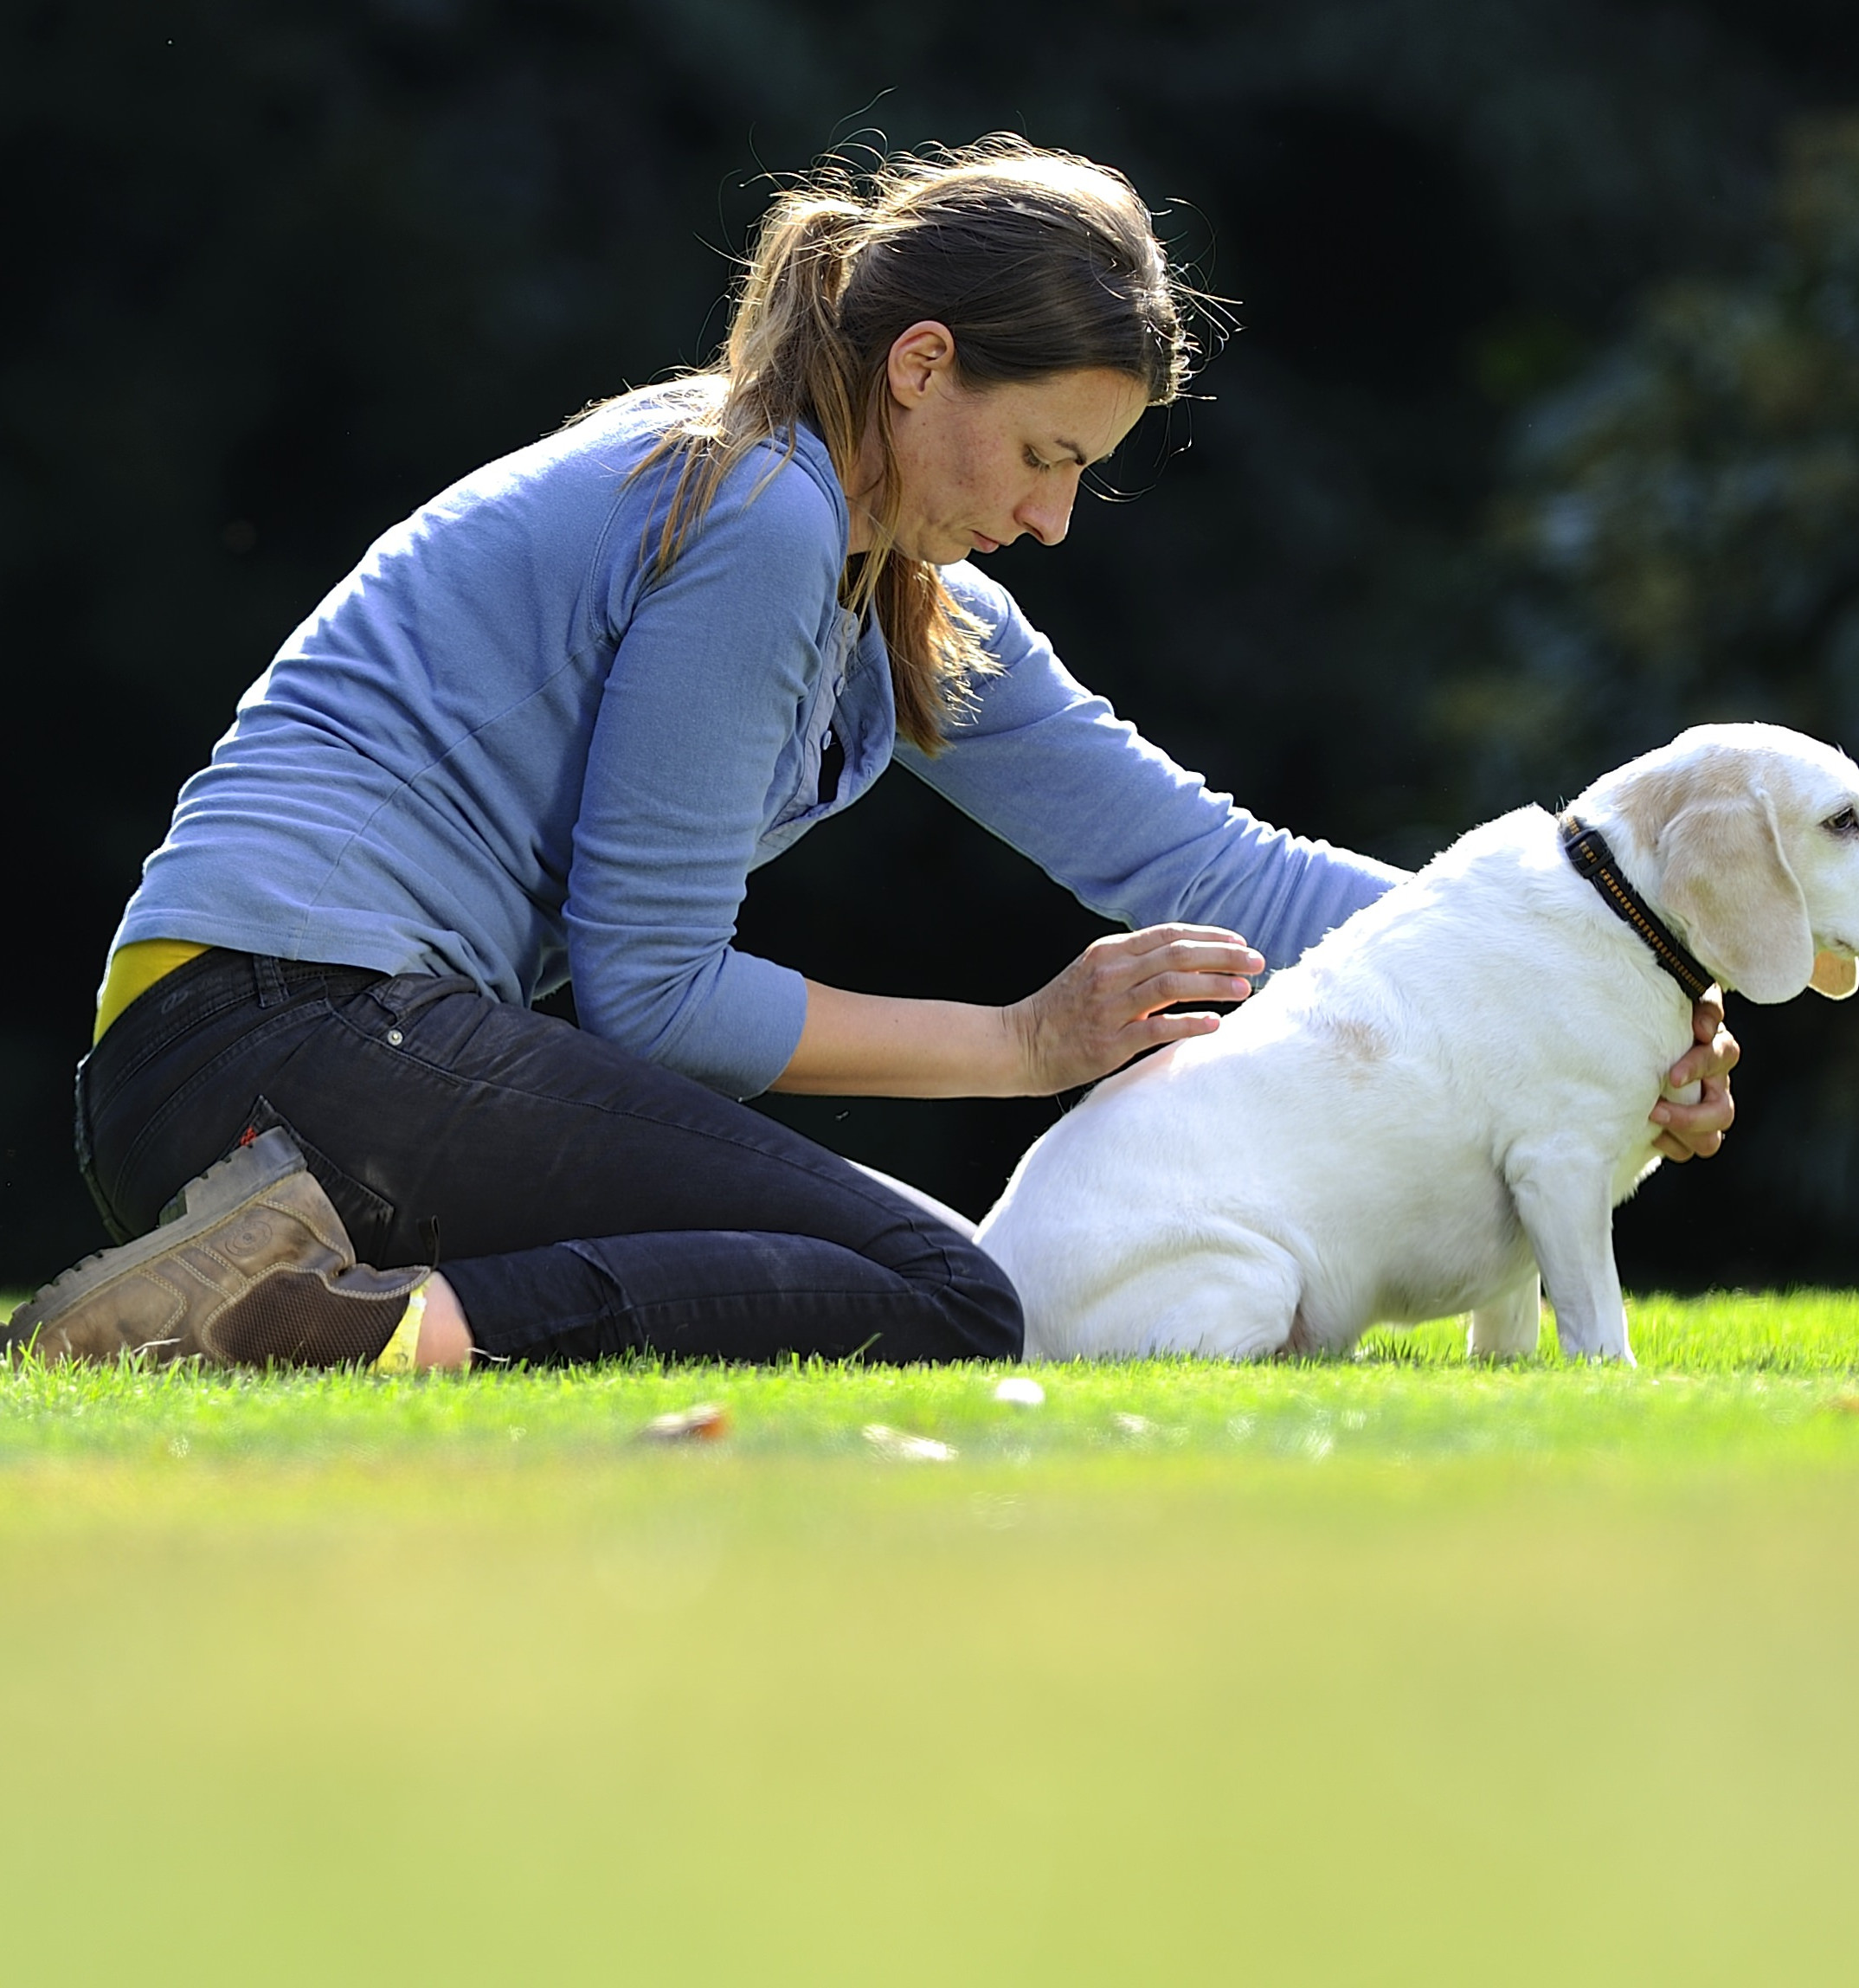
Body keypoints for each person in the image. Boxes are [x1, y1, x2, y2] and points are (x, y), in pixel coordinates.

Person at [7, 138, 1737, 1374]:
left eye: (1083, 477)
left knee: (910, 1281)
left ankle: (288, 1285)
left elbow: (1217, 872)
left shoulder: (885, 573)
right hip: (286, 1035)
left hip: (286, 1060)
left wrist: (1606, 979)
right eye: (1043, 454)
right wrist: (1023, 1043)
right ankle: (301, 1326)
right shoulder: (756, 508)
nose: (1050, 520)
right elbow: (652, 992)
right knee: (951, 1293)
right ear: (921, 367)